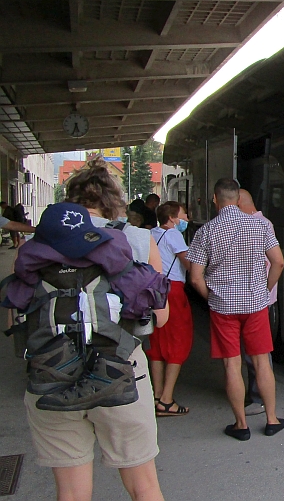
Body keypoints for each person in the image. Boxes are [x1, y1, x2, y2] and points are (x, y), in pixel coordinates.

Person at [24, 158, 169, 501]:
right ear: (113, 201)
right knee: (144, 486)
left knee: (71, 494)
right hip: (119, 371)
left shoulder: (42, 242)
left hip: (53, 371)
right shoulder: (135, 237)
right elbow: (159, 317)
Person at [188, 178, 284, 441]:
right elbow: (278, 262)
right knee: (261, 360)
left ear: (215, 199)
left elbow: (195, 277)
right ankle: (272, 419)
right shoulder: (259, 225)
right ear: (237, 198)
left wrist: (213, 298)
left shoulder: (206, 231)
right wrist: (264, 290)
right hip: (255, 304)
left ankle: (241, 425)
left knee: (232, 365)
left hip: (223, 307)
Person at [147, 201, 192, 417]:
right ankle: (167, 399)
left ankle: (156, 396)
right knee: (178, 341)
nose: (186, 219)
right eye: (183, 214)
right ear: (172, 218)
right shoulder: (173, 235)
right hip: (172, 291)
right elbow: (189, 264)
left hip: (153, 290)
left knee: (156, 342)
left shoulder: (151, 234)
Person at [237, 189, 279, 417]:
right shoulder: (259, 224)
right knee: (254, 352)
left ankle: (259, 398)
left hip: (259, 302)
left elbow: (275, 263)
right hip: (256, 300)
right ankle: (257, 395)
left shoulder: (259, 225)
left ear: (241, 204)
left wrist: (264, 290)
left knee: (257, 354)